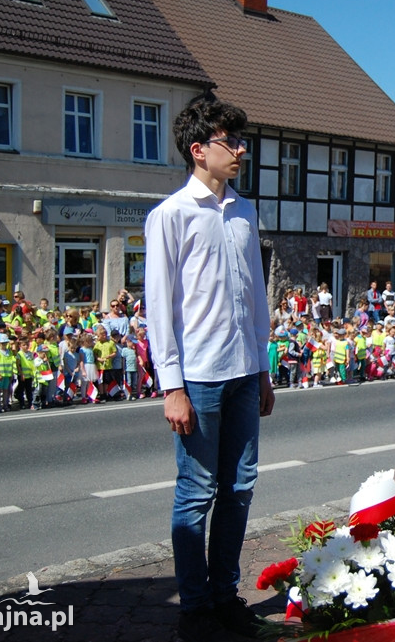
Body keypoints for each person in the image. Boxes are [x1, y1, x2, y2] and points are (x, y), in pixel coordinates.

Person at [144, 95, 274, 641]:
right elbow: (160, 305)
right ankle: (194, 605)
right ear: (199, 151)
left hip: (244, 371)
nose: (241, 150)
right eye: (230, 141)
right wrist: (171, 385)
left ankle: (224, 593)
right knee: (196, 492)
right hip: (198, 376)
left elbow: (257, 296)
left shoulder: (244, 210)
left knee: (239, 487)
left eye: (242, 141)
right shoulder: (171, 215)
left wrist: (264, 367)